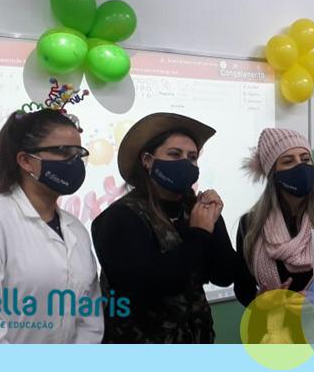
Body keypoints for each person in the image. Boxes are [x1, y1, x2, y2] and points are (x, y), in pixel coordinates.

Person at [0, 109, 103, 343]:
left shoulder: (76, 230)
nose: (73, 162)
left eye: (78, 153)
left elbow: (90, 319)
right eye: (62, 151)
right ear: (26, 161)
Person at [91, 112, 238, 343]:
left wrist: (214, 222)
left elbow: (224, 275)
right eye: (174, 154)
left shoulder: (195, 210)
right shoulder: (119, 218)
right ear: (147, 161)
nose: (185, 163)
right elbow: (148, 287)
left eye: (192, 157)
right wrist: (199, 234)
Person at [234, 128, 314, 311]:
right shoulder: (250, 224)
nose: (301, 167)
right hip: (273, 324)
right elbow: (242, 287)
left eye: (305, 159)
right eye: (288, 161)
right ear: (273, 173)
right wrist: (261, 300)